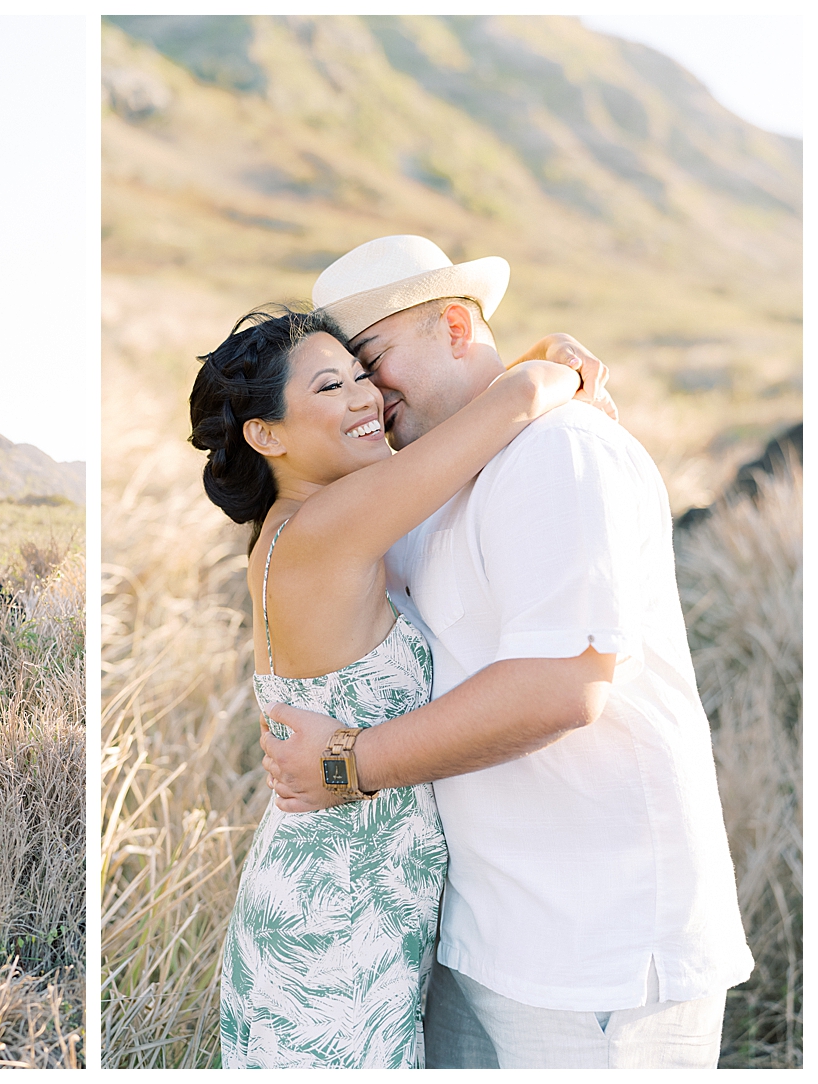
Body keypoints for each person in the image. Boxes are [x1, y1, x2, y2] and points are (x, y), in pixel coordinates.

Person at [260, 235, 754, 1069]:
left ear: (456, 325)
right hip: (482, 936)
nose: (367, 398)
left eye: (372, 361)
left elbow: (562, 687)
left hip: (597, 953)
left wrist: (348, 762)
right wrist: (533, 367)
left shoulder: (558, 453)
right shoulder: (436, 473)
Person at [189, 296, 610, 1067]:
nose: (365, 399)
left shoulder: (310, 525)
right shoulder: (326, 527)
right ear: (266, 434)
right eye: (328, 388)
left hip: (350, 906)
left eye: (360, 374)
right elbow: (510, 406)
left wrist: (540, 352)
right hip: (331, 927)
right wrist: (551, 361)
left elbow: (460, 435)